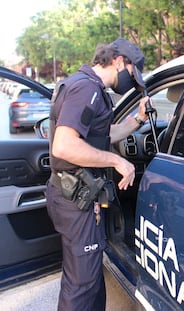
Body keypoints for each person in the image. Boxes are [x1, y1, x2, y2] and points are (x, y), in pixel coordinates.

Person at [46, 38, 150, 311]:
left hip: (78, 197)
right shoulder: (85, 88)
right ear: (117, 61)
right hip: (75, 201)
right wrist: (117, 160)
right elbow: (65, 145)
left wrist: (137, 119)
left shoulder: (91, 88)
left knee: (88, 279)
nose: (131, 80)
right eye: (131, 72)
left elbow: (105, 135)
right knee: (81, 285)